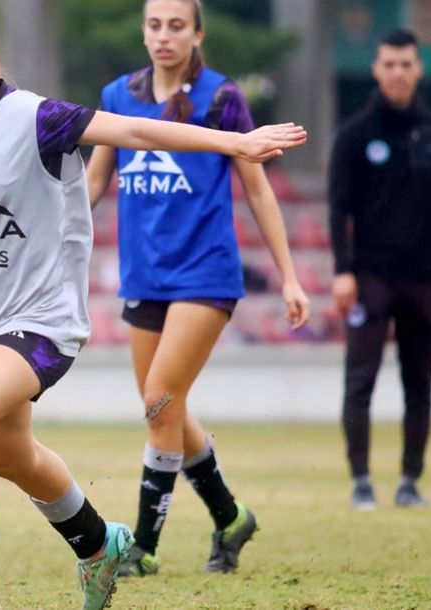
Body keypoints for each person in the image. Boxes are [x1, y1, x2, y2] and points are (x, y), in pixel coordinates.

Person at [0, 2, 305, 607]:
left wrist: (236, 143)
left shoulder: (37, 118)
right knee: (10, 454)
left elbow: (137, 131)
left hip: (41, 321)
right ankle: (99, 545)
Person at [85, 0, 310, 579]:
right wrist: (54, 240)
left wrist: (288, 276)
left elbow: (258, 190)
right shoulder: (117, 97)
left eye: (177, 26)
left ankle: (143, 546)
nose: (164, 36)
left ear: (197, 33)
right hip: (144, 276)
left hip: (206, 275)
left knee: (161, 396)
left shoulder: (221, 97)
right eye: (155, 25)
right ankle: (230, 516)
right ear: (143, 32)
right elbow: (94, 181)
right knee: (163, 409)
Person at [329, 29, 431, 510]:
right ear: (377, 69)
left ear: (418, 69)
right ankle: (361, 480)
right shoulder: (354, 134)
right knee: (360, 380)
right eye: (390, 64)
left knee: (418, 383)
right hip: (370, 278)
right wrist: (342, 269)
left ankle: (409, 481)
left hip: (425, 278)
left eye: (407, 64)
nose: (398, 73)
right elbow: (339, 208)